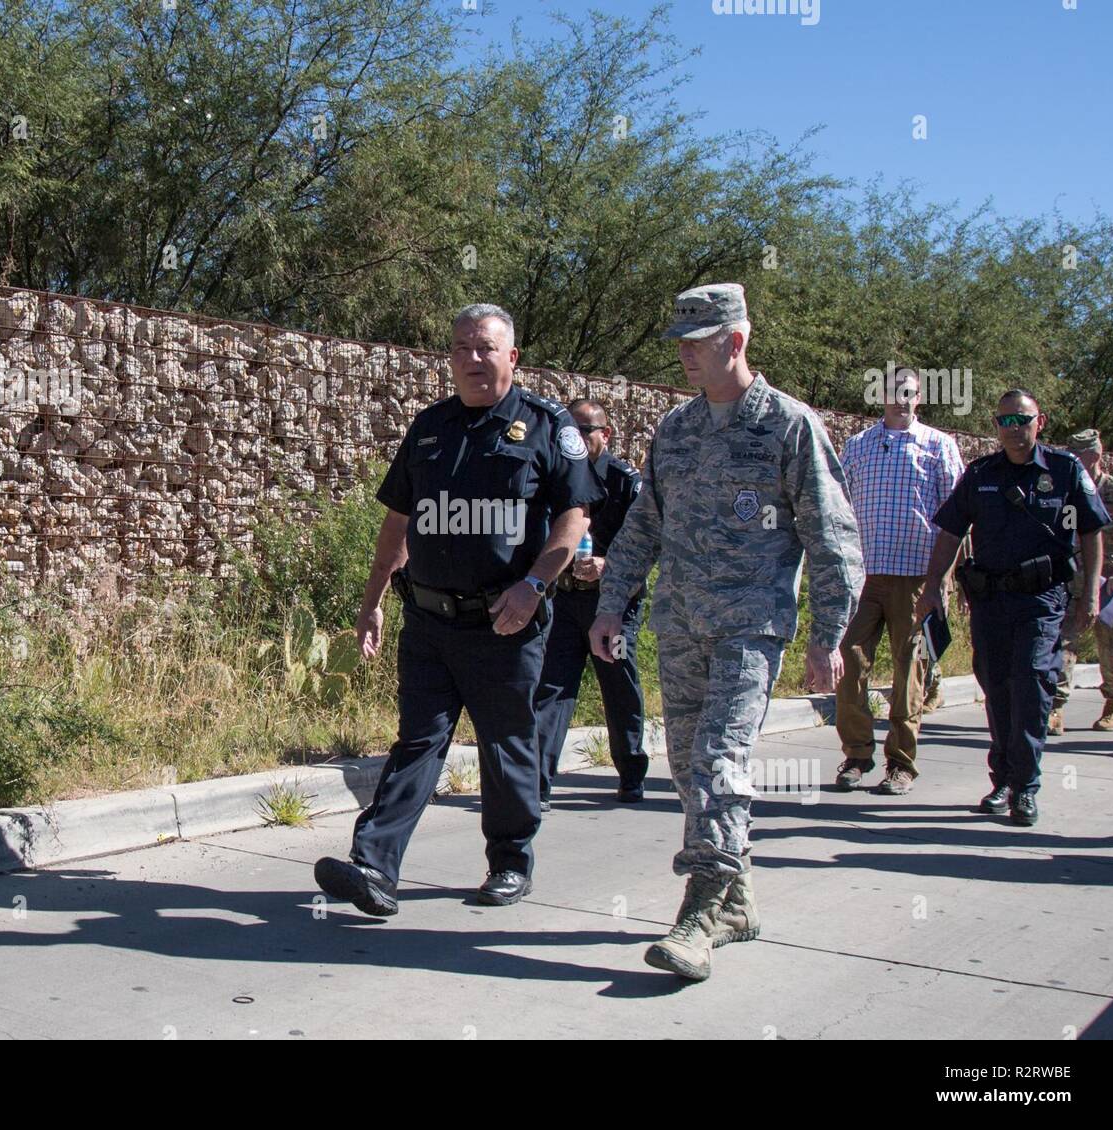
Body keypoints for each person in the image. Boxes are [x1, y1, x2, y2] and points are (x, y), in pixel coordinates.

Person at [589, 282, 863, 982]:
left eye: (695, 343)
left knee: (719, 757)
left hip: (751, 627)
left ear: (734, 342)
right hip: (680, 626)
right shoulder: (677, 429)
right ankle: (738, 900)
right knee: (686, 766)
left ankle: (701, 910)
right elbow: (644, 523)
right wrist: (612, 602)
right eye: (678, 343)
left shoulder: (788, 426)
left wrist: (827, 637)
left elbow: (831, 538)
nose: (683, 355)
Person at [314, 303, 603, 915]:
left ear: (512, 357)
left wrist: (535, 585)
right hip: (427, 621)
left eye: (486, 348)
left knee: (506, 744)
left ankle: (509, 861)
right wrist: (370, 604)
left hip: (505, 623)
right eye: (462, 349)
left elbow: (574, 515)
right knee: (418, 741)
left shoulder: (547, 426)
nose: (473, 359)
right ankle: (374, 867)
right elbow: (397, 522)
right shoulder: (427, 429)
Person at [913, 391, 1110, 826]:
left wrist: (1091, 594)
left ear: (1040, 421)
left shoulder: (1064, 470)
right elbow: (949, 530)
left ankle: (1026, 786)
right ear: (995, 425)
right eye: (1004, 420)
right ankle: (1001, 779)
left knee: (1032, 684)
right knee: (997, 686)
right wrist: (933, 585)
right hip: (990, 599)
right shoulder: (982, 473)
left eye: (1022, 419)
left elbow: (1092, 532)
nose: (1013, 428)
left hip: (1041, 600)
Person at [834, 367, 965, 794]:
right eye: (892, 393)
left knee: (910, 671)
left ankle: (901, 764)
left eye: (908, 393)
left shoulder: (939, 446)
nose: (901, 401)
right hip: (864, 578)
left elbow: (958, 520)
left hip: (916, 579)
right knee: (848, 661)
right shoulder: (858, 447)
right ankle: (856, 755)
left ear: (920, 396)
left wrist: (946, 581)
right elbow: (839, 509)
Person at [534, 399, 647, 811]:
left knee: (618, 683)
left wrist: (607, 565)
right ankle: (539, 783)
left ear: (605, 434)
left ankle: (631, 772)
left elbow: (649, 545)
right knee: (551, 689)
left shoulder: (625, 481)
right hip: (565, 602)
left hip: (615, 607)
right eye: (571, 431)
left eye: (586, 430)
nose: (577, 438)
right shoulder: (558, 475)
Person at [1047, 429, 1113, 733]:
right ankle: (1056, 708)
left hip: (1108, 582)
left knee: (1111, 647)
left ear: (1096, 455)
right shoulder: (1066, 490)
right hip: (1070, 578)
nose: (1074, 460)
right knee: (1062, 646)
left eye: (1079, 454)